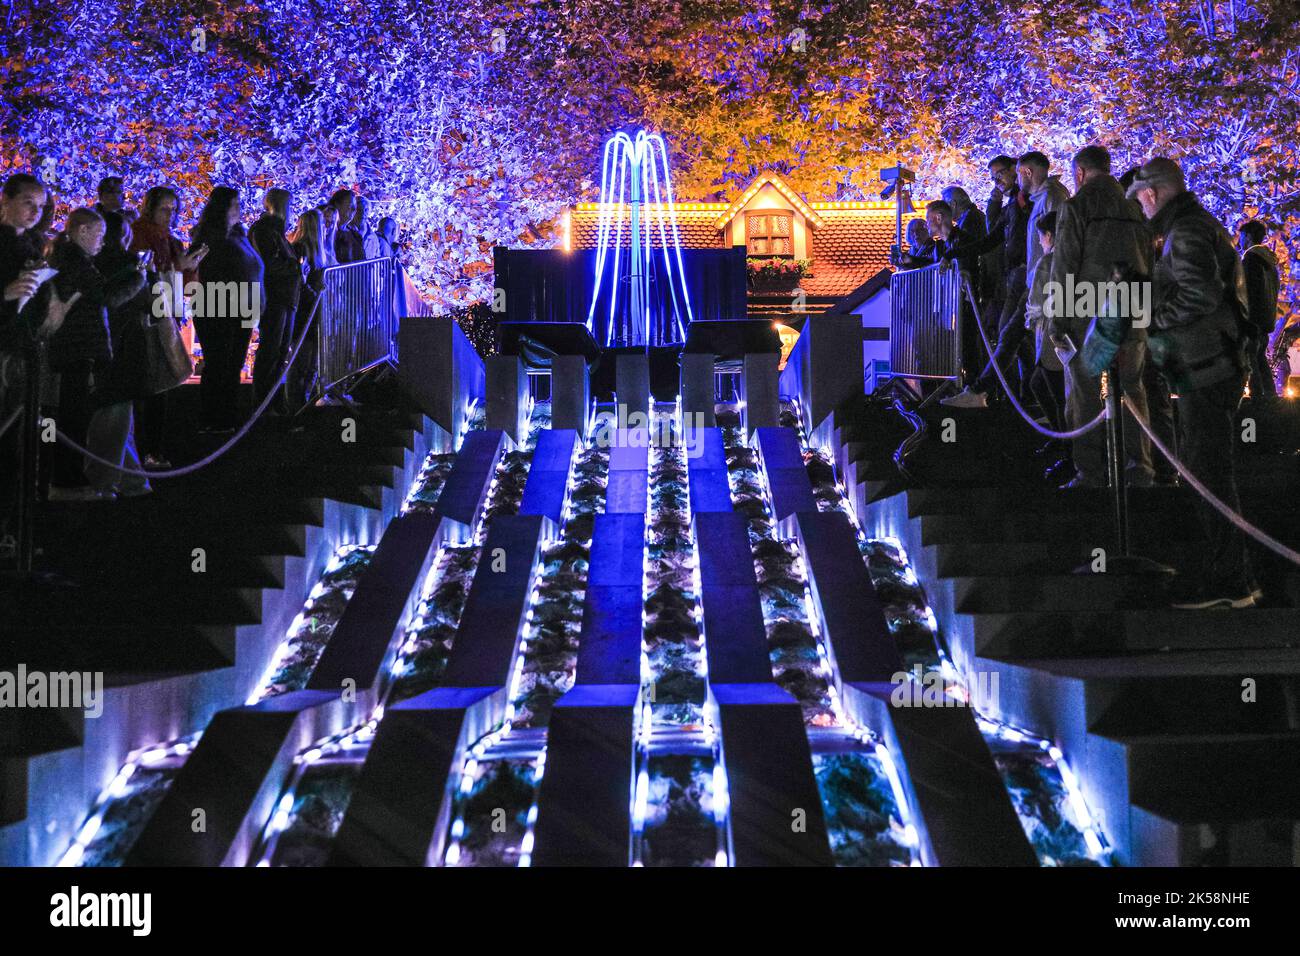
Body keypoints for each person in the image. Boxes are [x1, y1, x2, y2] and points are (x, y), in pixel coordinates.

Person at [1128, 158, 1257, 608]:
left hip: (1208, 367)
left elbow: (1198, 295)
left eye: (1140, 198)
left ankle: (1231, 582)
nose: (1141, 208)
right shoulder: (1194, 226)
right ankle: (1231, 575)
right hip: (1207, 364)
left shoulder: (1185, 232)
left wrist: (1150, 319)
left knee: (1208, 473)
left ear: (1151, 194)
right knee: (1207, 469)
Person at [1049, 145, 1153, 488]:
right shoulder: (1134, 209)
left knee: (1085, 390)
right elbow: (1148, 261)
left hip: (1089, 310)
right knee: (1133, 387)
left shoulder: (1077, 207)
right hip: (1133, 307)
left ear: (1079, 173)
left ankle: (1090, 471)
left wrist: (1057, 318)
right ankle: (1140, 467)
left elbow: (1064, 263)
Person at [43, 208, 147, 500]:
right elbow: (105, 297)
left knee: (74, 419)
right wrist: (136, 280)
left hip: (75, 346)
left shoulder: (65, 256)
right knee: (73, 420)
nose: (102, 242)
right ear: (83, 231)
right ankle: (67, 483)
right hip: (78, 347)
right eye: (98, 235)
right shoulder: (76, 261)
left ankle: (70, 480)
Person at [129, 186, 206, 468]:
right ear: (150, 207)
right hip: (146, 319)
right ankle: (144, 451)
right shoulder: (139, 234)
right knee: (149, 388)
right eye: (165, 209)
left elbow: (183, 282)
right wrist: (179, 266)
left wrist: (189, 265)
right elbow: (142, 279)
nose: (170, 215)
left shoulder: (168, 238)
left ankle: (152, 450)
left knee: (160, 388)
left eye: (174, 209)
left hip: (165, 315)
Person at [191, 186, 264, 433]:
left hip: (241, 306)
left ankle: (228, 416)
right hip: (218, 306)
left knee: (233, 364)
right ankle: (213, 417)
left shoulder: (238, 234)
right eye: (234, 204)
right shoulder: (210, 236)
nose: (238, 209)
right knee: (219, 363)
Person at [249, 188, 303, 412]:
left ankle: (273, 401)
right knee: (271, 349)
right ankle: (264, 401)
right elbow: (270, 264)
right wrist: (293, 266)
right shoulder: (266, 230)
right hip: (275, 297)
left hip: (286, 297)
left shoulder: (277, 233)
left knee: (280, 351)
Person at [287, 208, 334, 409]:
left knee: (313, 363)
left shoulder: (319, 251)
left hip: (316, 313)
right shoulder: (301, 249)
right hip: (305, 313)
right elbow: (301, 279)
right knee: (301, 361)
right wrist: (314, 295)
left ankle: (305, 402)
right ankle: (295, 404)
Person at [1237, 219, 1280, 407]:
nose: (1239, 240)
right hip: (1265, 319)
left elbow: (1248, 292)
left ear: (1247, 236)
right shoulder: (1269, 262)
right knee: (1259, 357)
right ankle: (1270, 396)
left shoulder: (1251, 259)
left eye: (1241, 236)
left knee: (1251, 357)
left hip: (1253, 319)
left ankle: (1257, 398)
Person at [329, 189, 365, 264]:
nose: (353, 210)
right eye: (350, 206)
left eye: (354, 208)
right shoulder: (326, 233)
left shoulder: (355, 235)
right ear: (337, 205)